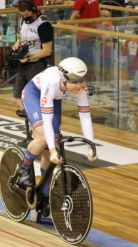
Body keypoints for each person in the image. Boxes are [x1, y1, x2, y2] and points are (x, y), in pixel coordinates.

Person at [18, 58, 98, 216]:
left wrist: (90, 146)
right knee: (43, 138)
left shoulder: (81, 87)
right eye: (76, 81)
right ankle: (24, 168)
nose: (80, 85)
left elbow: (85, 117)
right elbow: (46, 120)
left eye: (83, 80)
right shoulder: (51, 82)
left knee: (50, 151)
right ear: (64, 78)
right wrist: (54, 148)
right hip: (35, 93)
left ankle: (45, 193)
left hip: (56, 98)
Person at [11, 0, 52, 110]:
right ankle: (32, 118)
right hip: (23, 62)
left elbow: (47, 50)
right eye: (22, 15)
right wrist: (18, 42)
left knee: (34, 96)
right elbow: (22, 36)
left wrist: (29, 59)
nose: (25, 17)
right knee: (17, 97)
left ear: (33, 10)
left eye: (27, 14)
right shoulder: (23, 20)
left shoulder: (43, 24)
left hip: (37, 64)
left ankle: (38, 121)